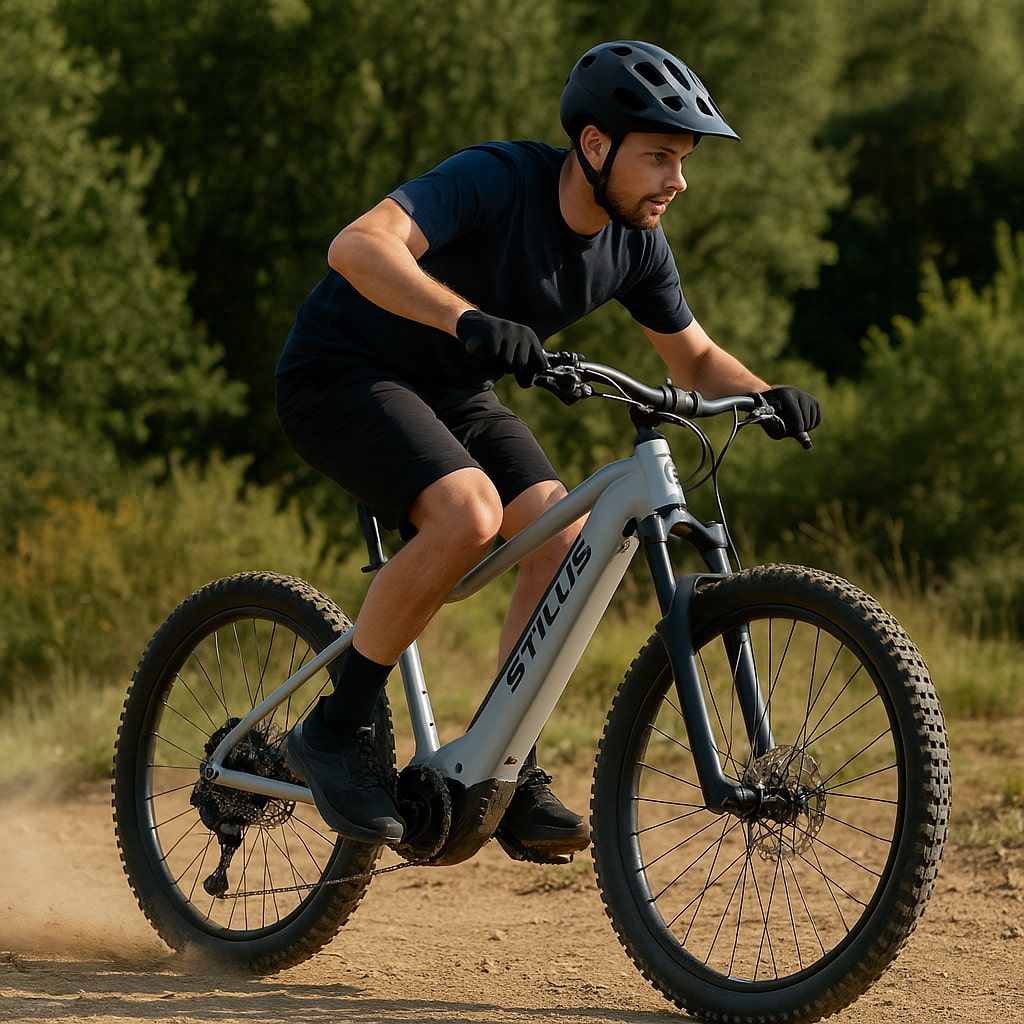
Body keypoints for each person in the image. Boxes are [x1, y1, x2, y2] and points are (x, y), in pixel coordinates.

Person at [275, 39, 821, 862]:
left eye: (684, 160)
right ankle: (334, 728)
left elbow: (696, 359)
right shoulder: (497, 179)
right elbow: (357, 247)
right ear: (595, 146)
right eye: (662, 157)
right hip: (342, 372)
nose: (679, 180)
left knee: (562, 535)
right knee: (469, 514)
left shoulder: (634, 243)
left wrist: (765, 392)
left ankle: (504, 763)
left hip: (455, 395)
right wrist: (463, 318)